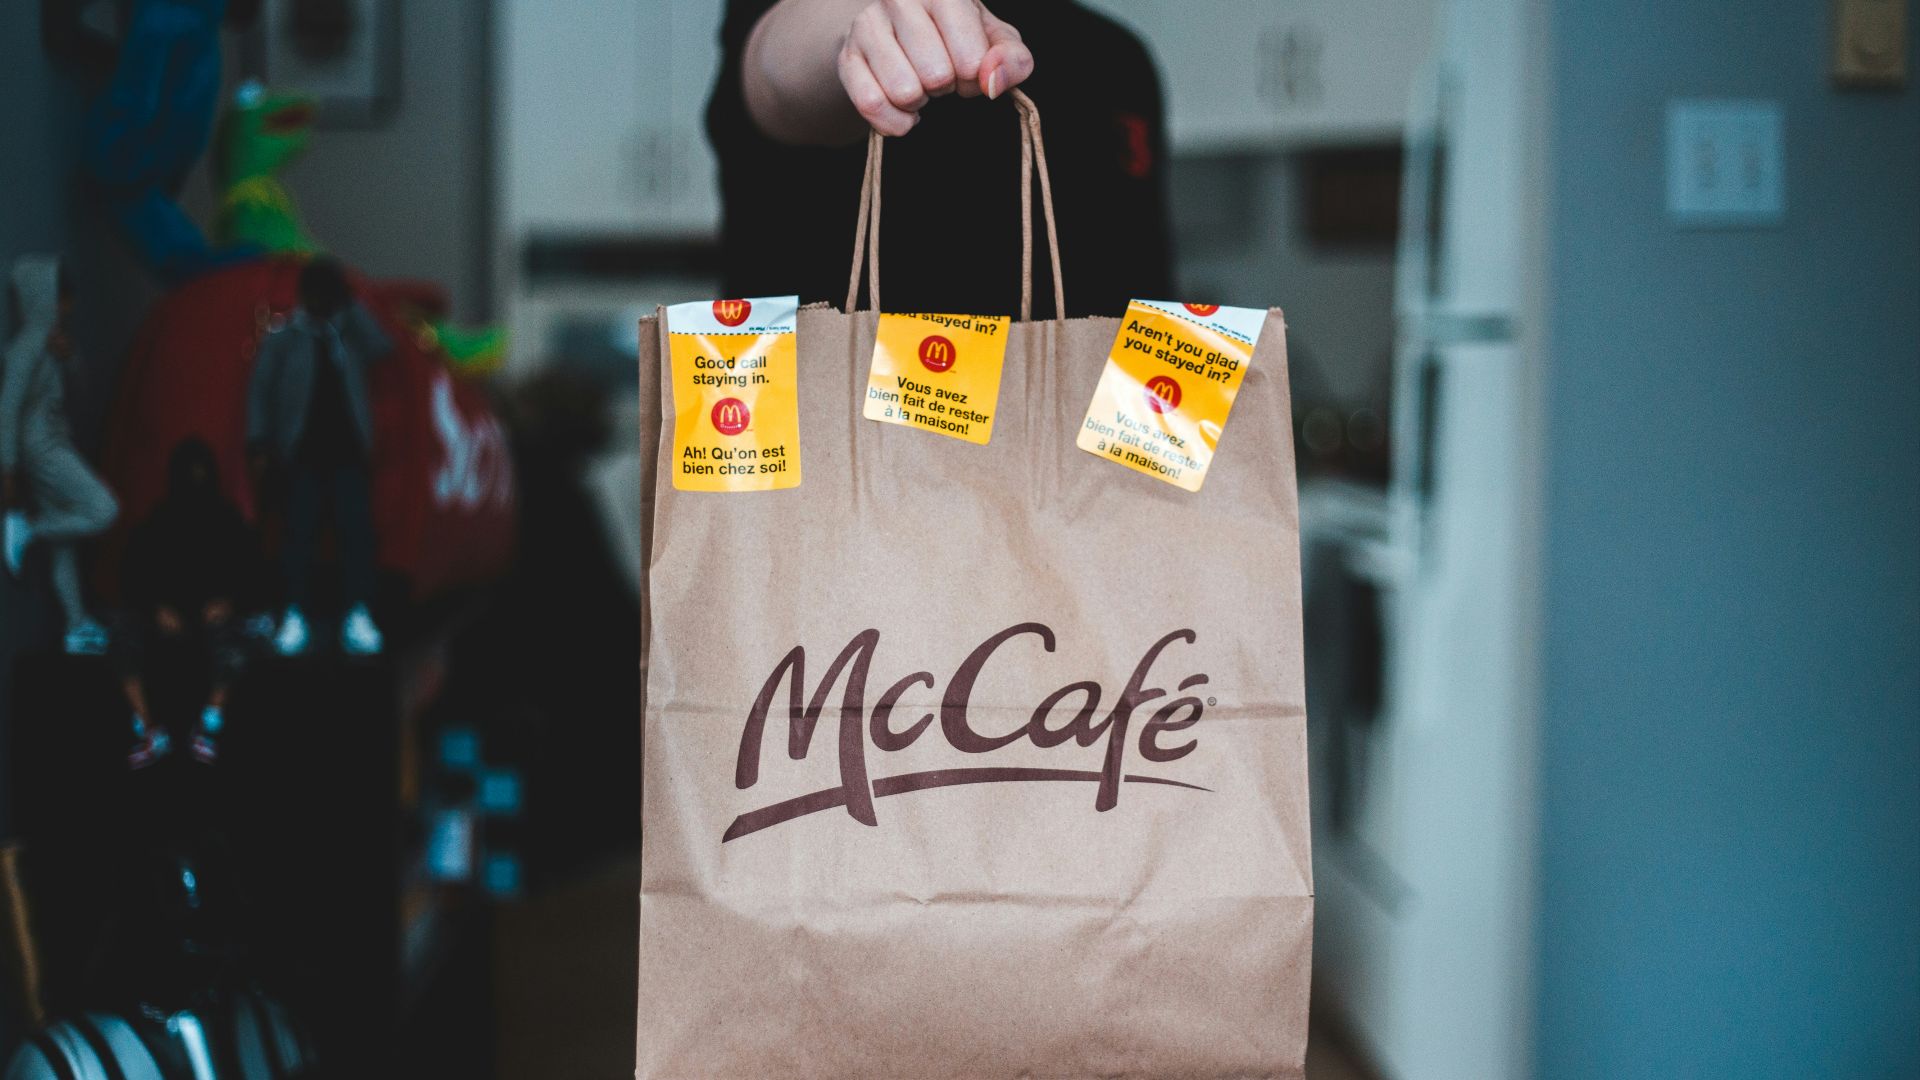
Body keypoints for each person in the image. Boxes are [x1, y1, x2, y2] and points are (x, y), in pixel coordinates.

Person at [710, 0, 1173, 319]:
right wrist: (861, 35)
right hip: (835, 449)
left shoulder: (1119, 59)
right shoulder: (806, 19)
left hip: (1074, 454)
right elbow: (778, 71)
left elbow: (1143, 291)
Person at [246, 256, 389, 658]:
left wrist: (353, 306)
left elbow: (383, 347)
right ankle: (294, 615)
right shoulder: (285, 337)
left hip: (348, 453)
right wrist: (258, 442)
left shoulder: (347, 334)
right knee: (298, 538)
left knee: (355, 537)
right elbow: (260, 391)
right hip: (301, 453)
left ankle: (358, 615)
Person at [114, 438, 260, 768]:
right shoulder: (158, 520)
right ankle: (149, 730)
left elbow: (253, 573)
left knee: (241, 641)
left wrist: (230, 602)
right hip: (163, 617)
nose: (196, 482)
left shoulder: (227, 519)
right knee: (122, 633)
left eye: (201, 474)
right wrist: (155, 608)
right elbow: (132, 575)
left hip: (215, 619)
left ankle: (209, 726)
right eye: (189, 474)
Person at [1, 255, 119, 655]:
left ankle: (75, 625)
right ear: (46, 297)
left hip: (52, 443)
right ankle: (29, 529)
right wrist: (7, 469)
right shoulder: (28, 346)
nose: (67, 307)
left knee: (65, 544)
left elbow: (80, 395)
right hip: (44, 448)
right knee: (103, 509)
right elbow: (8, 406)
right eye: (62, 298)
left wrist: (70, 359)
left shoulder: (51, 343)